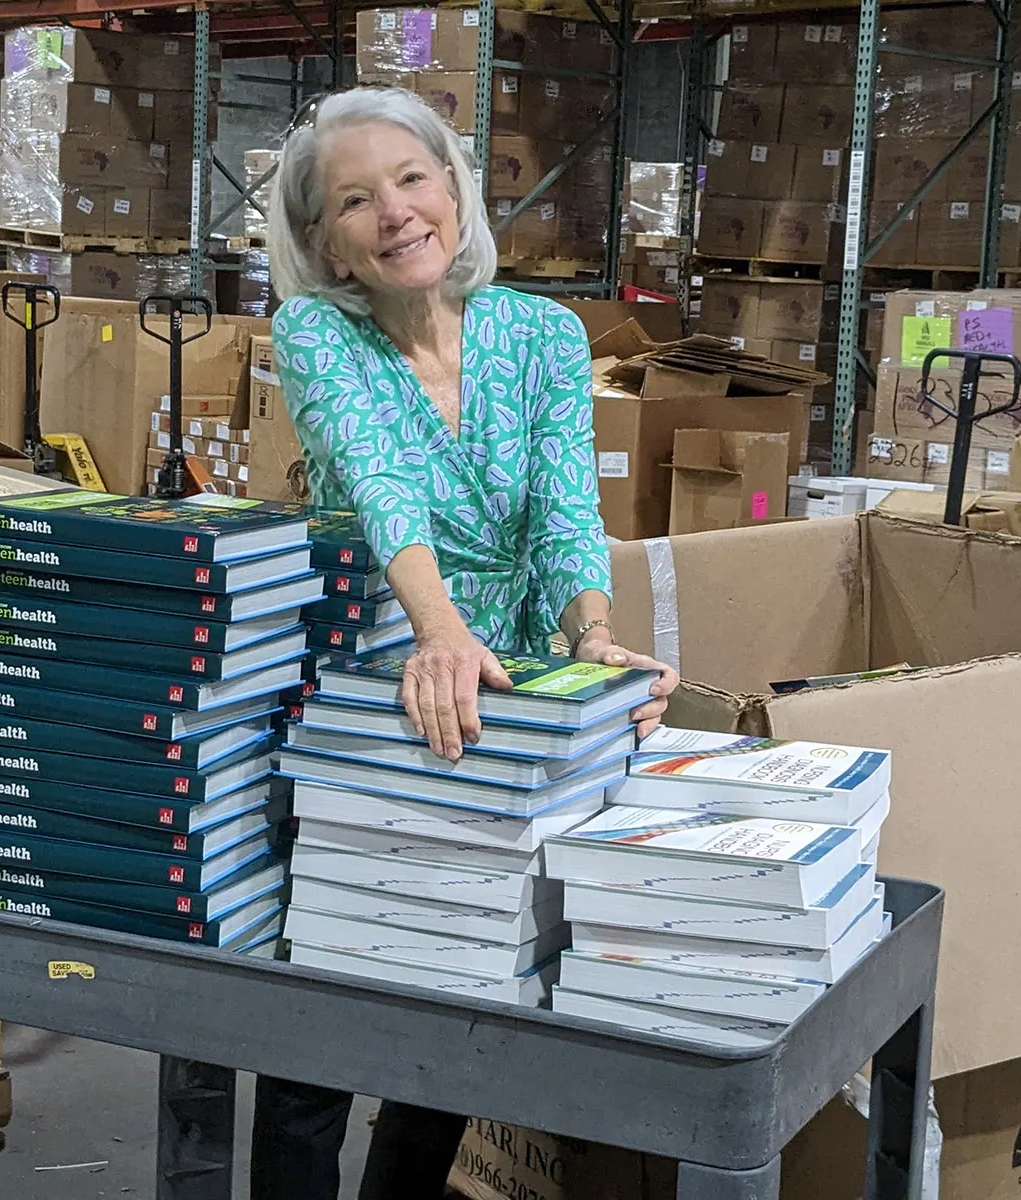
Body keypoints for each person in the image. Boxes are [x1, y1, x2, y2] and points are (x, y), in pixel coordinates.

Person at [247, 86, 680, 1200]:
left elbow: (564, 513)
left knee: (453, 992)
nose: (394, 212)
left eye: (411, 178)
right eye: (354, 199)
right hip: (365, 684)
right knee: (326, 1008)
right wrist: (436, 631)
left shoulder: (540, 333)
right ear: (321, 241)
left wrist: (596, 642)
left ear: (453, 189)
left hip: (510, 700)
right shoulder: (314, 333)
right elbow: (378, 475)